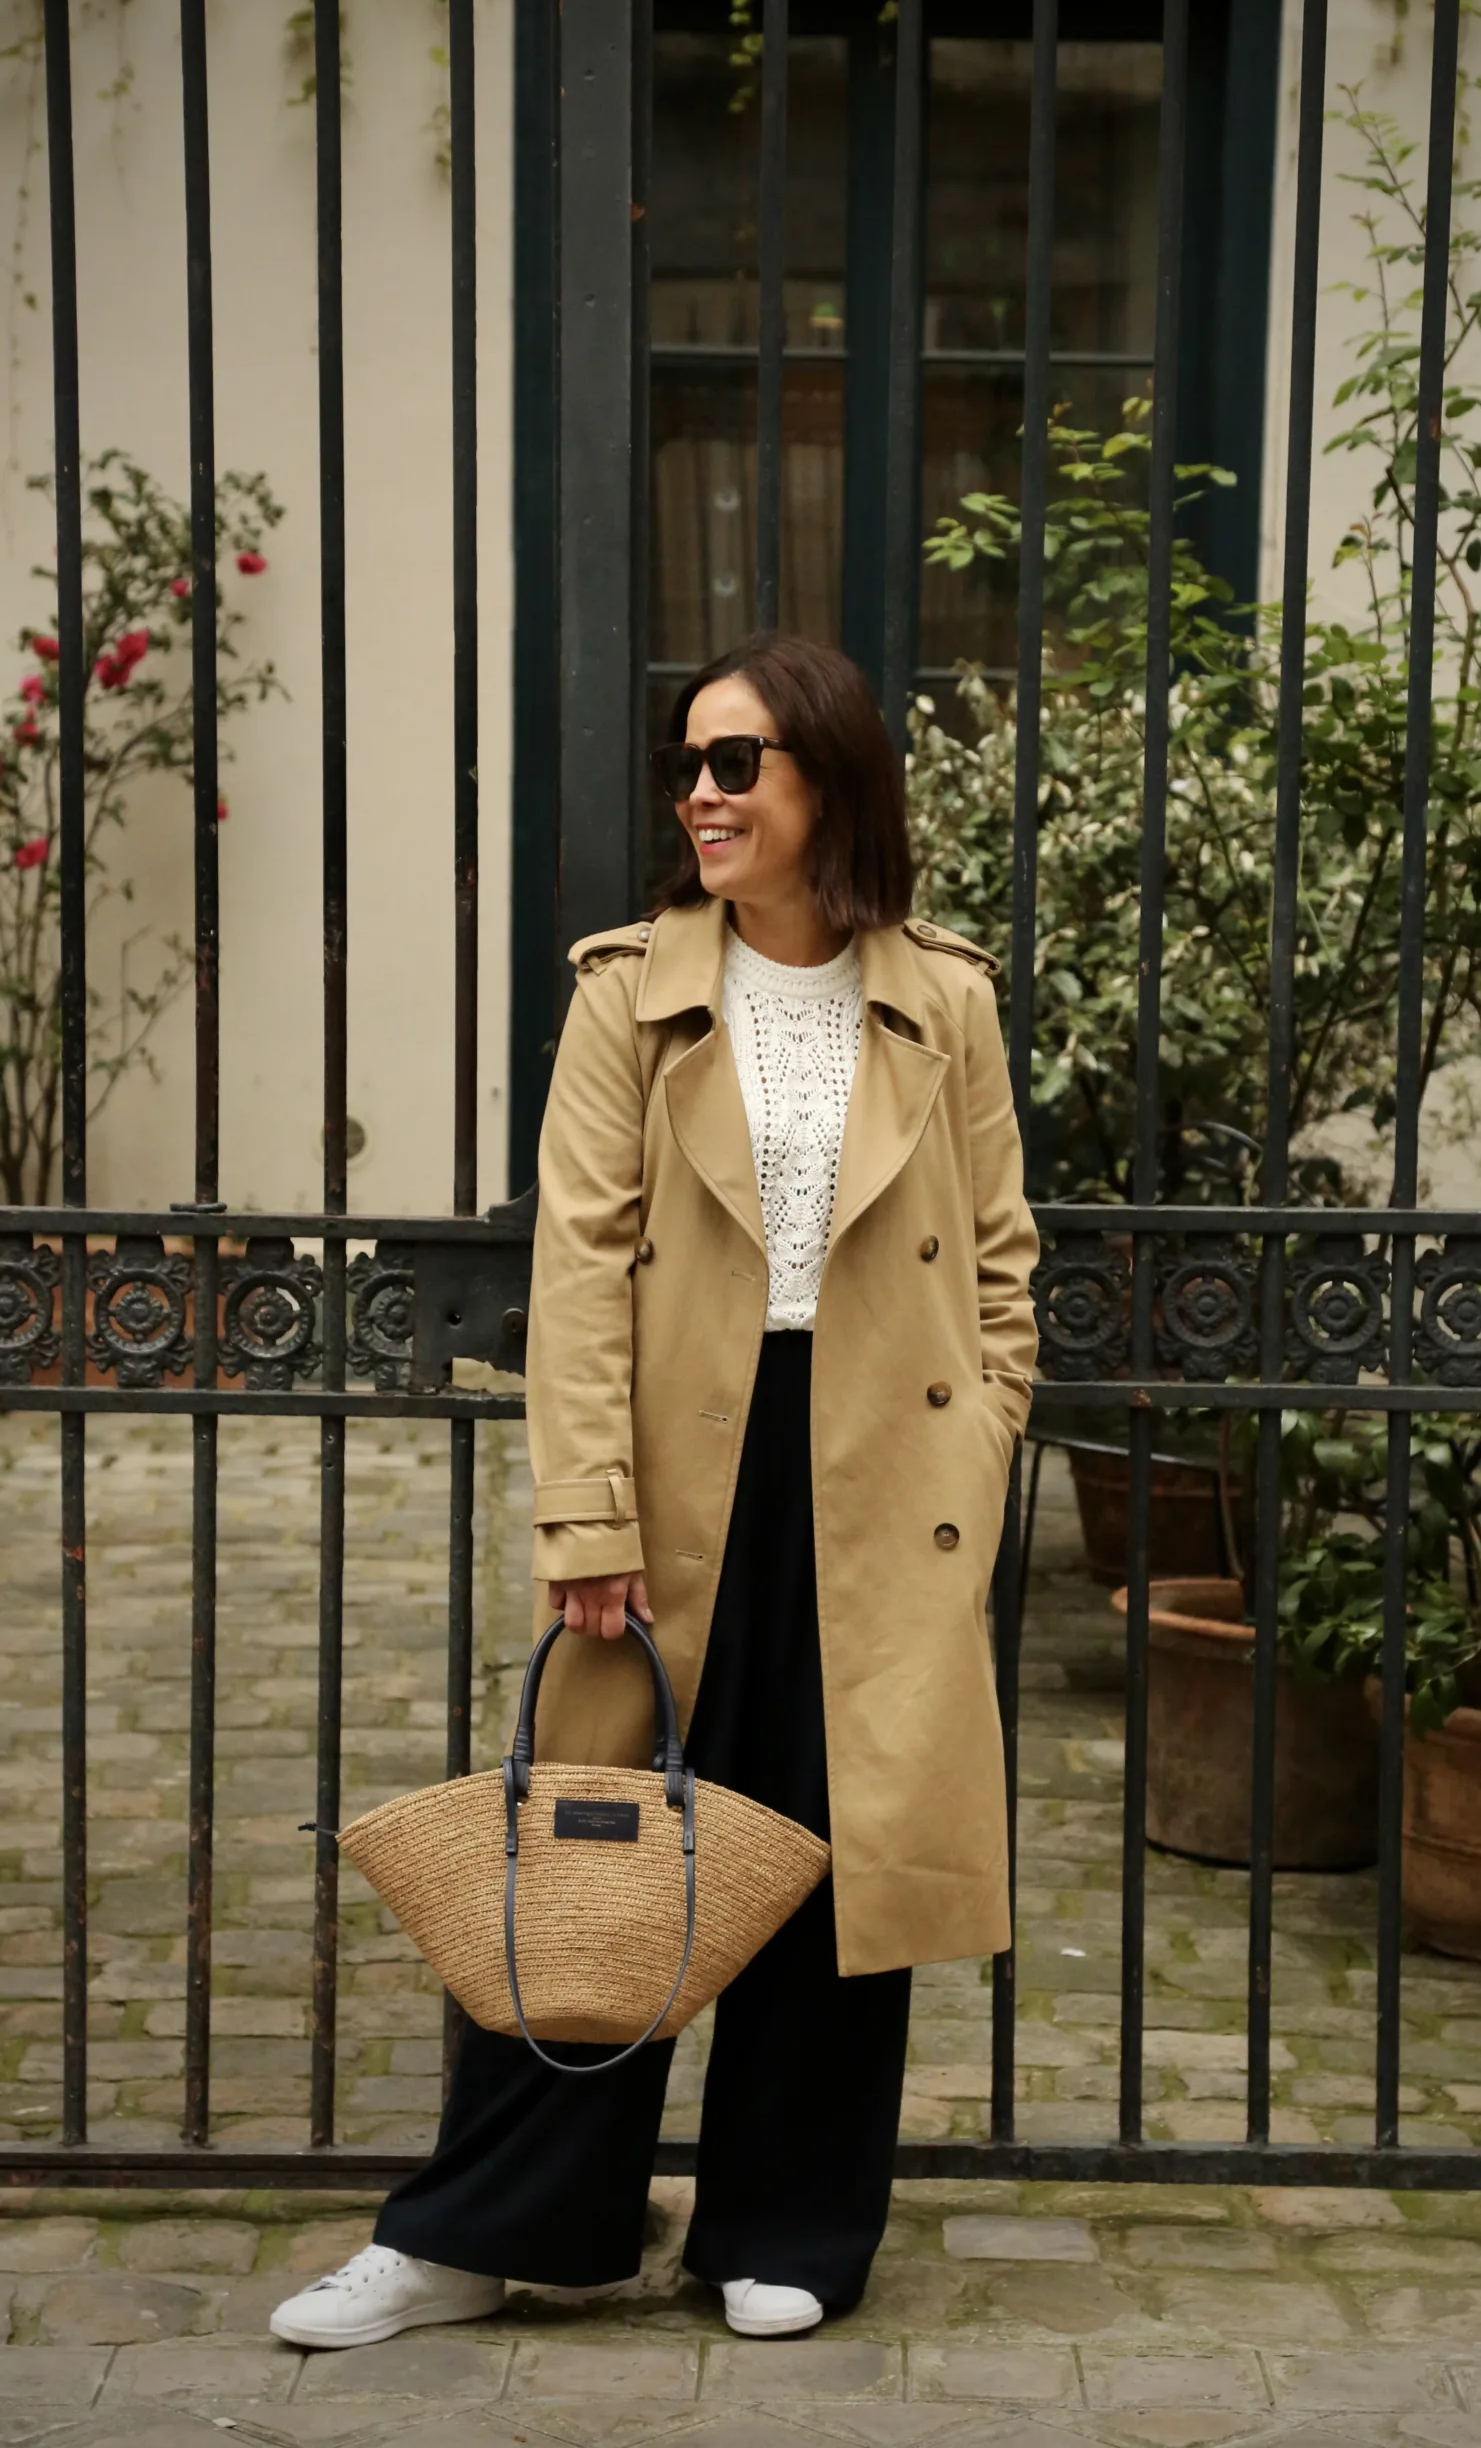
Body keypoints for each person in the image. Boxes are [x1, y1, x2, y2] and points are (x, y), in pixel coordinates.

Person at [270, 631, 1038, 2350]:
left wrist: (981, 1436)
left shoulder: (947, 999)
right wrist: (587, 1517)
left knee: (831, 1859)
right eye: (688, 764)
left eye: (736, 761)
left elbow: (1001, 1267)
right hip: (681, 1473)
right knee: (594, 1855)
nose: (699, 792)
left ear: (825, 778)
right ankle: (490, 2229)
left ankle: (791, 2223)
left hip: (880, 1478)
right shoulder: (631, 989)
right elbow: (581, 1264)